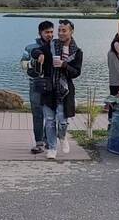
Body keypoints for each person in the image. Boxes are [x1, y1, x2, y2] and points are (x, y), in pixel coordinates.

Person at [32, 19, 83, 159]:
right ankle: (52, 149)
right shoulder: (51, 45)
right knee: (49, 120)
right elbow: (35, 51)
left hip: (65, 90)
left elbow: (76, 72)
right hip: (49, 89)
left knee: (63, 121)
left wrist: (64, 65)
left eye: (63, 30)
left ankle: (62, 136)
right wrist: (39, 55)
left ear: (71, 32)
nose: (60, 33)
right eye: (59, 30)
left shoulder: (77, 52)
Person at [22, 21, 55, 154]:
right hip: (35, 84)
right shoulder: (30, 47)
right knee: (37, 114)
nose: (50, 35)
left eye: (52, 32)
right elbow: (23, 65)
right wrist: (34, 62)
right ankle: (39, 143)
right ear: (40, 33)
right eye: (47, 32)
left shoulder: (56, 46)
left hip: (52, 85)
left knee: (51, 114)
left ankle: (49, 140)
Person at [107, 33, 119, 124]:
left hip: (112, 81)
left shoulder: (110, 52)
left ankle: (110, 121)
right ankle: (116, 121)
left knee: (112, 101)